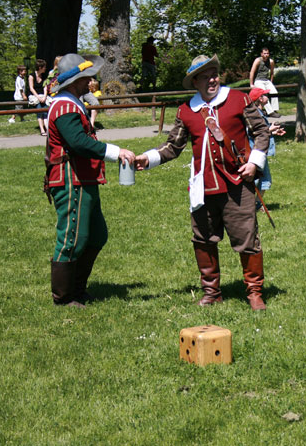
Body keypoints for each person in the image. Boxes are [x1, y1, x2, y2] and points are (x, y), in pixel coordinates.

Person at [144, 52, 270, 310]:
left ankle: (255, 292)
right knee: (202, 239)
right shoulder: (186, 111)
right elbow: (173, 146)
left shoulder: (238, 99)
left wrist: (255, 162)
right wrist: (147, 159)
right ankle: (212, 292)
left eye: (214, 74)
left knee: (247, 238)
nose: (211, 80)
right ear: (195, 83)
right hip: (203, 187)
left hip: (237, 182)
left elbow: (261, 130)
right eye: (205, 77)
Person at [43, 52, 138, 307]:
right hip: (70, 179)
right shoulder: (64, 105)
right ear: (75, 81)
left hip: (83, 179)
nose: (90, 82)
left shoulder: (72, 103)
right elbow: (78, 143)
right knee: (73, 237)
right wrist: (116, 152)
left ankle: (77, 288)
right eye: (86, 78)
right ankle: (63, 297)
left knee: (96, 235)